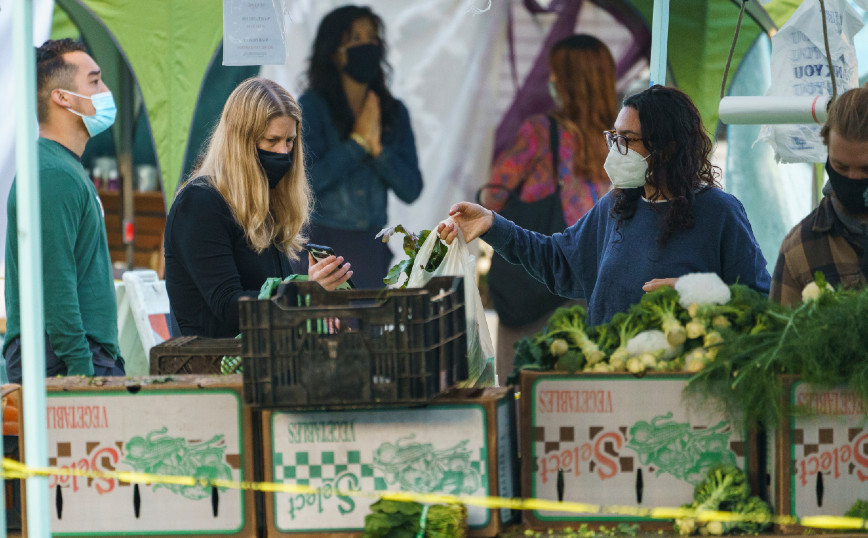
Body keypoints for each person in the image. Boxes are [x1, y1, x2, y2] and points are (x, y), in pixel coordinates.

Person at [438, 85, 771, 332]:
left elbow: (759, 299)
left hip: (688, 386)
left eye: (628, 139)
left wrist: (694, 291)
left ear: (667, 147)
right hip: (609, 382)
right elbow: (558, 262)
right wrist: (493, 224)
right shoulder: (615, 207)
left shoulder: (719, 212)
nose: (616, 149)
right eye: (615, 137)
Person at [164, 77, 351, 338]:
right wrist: (304, 294)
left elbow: (272, 308)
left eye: (289, 141)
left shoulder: (265, 203)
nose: (283, 152)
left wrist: (314, 312)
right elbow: (229, 307)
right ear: (240, 142)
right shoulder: (199, 203)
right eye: (271, 140)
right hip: (212, 369)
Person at [480, 34, 616, 377]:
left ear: (569, 81)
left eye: (556, 73)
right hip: (595, 278)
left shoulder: (540, 132)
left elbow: (493, 196)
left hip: (538, 283)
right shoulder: (622, 138)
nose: (550, 81)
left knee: (525, 390)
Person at [4, 39, 125, 383]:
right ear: (62, 97)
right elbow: (55, 283)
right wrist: (81, 372)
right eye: (95, 81)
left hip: (72, 353)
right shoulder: (52, 173)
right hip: (62, 358)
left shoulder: (61, 167)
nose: (105, 90)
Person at [299, 5, 423, 289]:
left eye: (372, 37)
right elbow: (304, 183)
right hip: (322, 246)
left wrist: (378, 151)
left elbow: (412, 189)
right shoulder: (311, 108)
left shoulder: (393, 112)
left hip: (371, 247)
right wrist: (357, 144)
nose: (367, 45)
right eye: (355, 39)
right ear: (334, 52)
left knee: (369, 332)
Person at [770, 85, 868, 306]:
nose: (853, 178)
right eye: (841, 167)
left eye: (866, 170)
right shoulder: (802, 248)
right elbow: (781, 336)